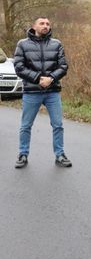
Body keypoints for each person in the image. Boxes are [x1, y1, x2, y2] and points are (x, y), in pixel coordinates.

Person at [13, 17, 70, 169]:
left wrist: (51, 78)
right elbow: (19, 67)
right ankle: (23, 154)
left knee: (58, 125)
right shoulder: (22, 44)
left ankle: (60, 154)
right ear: (34, 26)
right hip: (32, 92)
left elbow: (63, 66)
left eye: (47, 24)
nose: (45, 26)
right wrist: (38, 78)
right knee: (26, 125)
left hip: (52, 92)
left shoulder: (56, 44)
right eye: (42, 23)